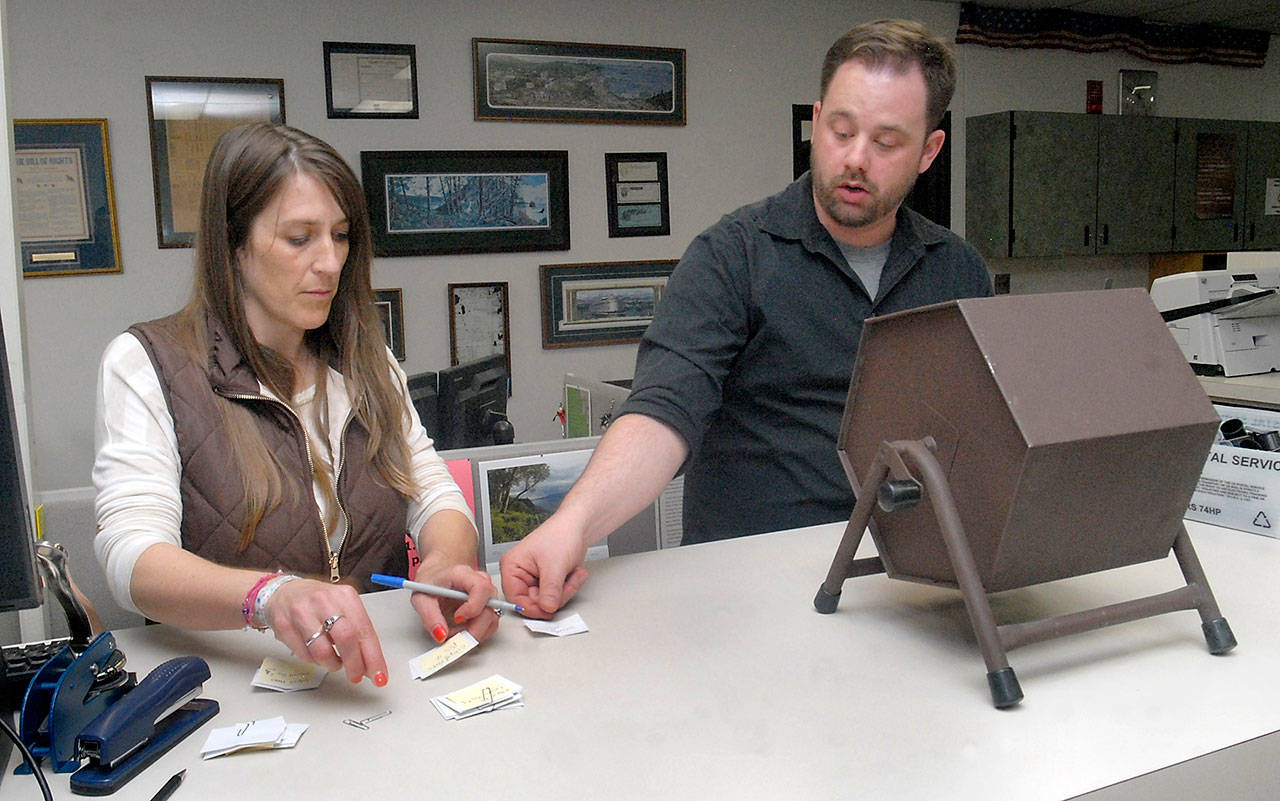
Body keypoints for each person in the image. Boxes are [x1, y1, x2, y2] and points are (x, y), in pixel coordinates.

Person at [501, 19, 992, 617]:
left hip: (906, 580)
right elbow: (664, 410)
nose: (855, 159)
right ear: (817, 121)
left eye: (887, 142)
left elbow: (981, 436)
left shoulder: (959, 271)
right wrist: (571, 525)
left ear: (929, 151)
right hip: (752, 581)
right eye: (840, 131)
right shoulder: (733, 256)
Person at [94, 123, 499, 686]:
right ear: (234, 244)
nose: (330, 262)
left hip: (359, 682)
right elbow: (132, 559)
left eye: (341, 235)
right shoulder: (147, 364)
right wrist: (270, 596)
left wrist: (446, 564)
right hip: (228, 687)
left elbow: (430, 491)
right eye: (299, 237)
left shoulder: (366, 361)